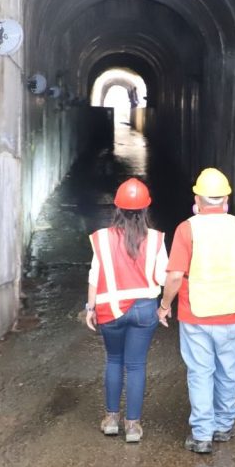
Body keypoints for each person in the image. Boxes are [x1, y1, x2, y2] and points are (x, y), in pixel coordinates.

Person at [157, 168, 235, 454]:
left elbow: (174, 276)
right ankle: (224, 424)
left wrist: (165, 305)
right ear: (226, 199)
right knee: (228, 371)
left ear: (197, 198)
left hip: (195, 313)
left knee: (200, 372)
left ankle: (202, 434)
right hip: (232, 311)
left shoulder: (187, 229)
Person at [85, 178, 168, 443]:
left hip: (110, 309)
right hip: (144, 309)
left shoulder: (103, 239)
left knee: (113, 360)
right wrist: (164, 305)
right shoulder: (155, 239)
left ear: (117, 209)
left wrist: (90, 308)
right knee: (136, 365)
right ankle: (132, 426)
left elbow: (94, 276)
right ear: (146, 210)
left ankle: (111, 419)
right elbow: (164, 277)